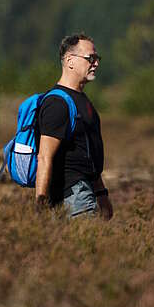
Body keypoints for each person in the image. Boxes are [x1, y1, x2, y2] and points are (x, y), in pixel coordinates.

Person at [35, 33, 112, 220]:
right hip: (73, 197)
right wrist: (40, 205)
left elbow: (87, 156)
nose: (96, 63)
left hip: (83, 192)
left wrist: (102, 196)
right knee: (89, 249)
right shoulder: (57, 103)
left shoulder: (83, 102)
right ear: (70, 60)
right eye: (90, 58)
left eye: (97, 58)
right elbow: (44, 157)